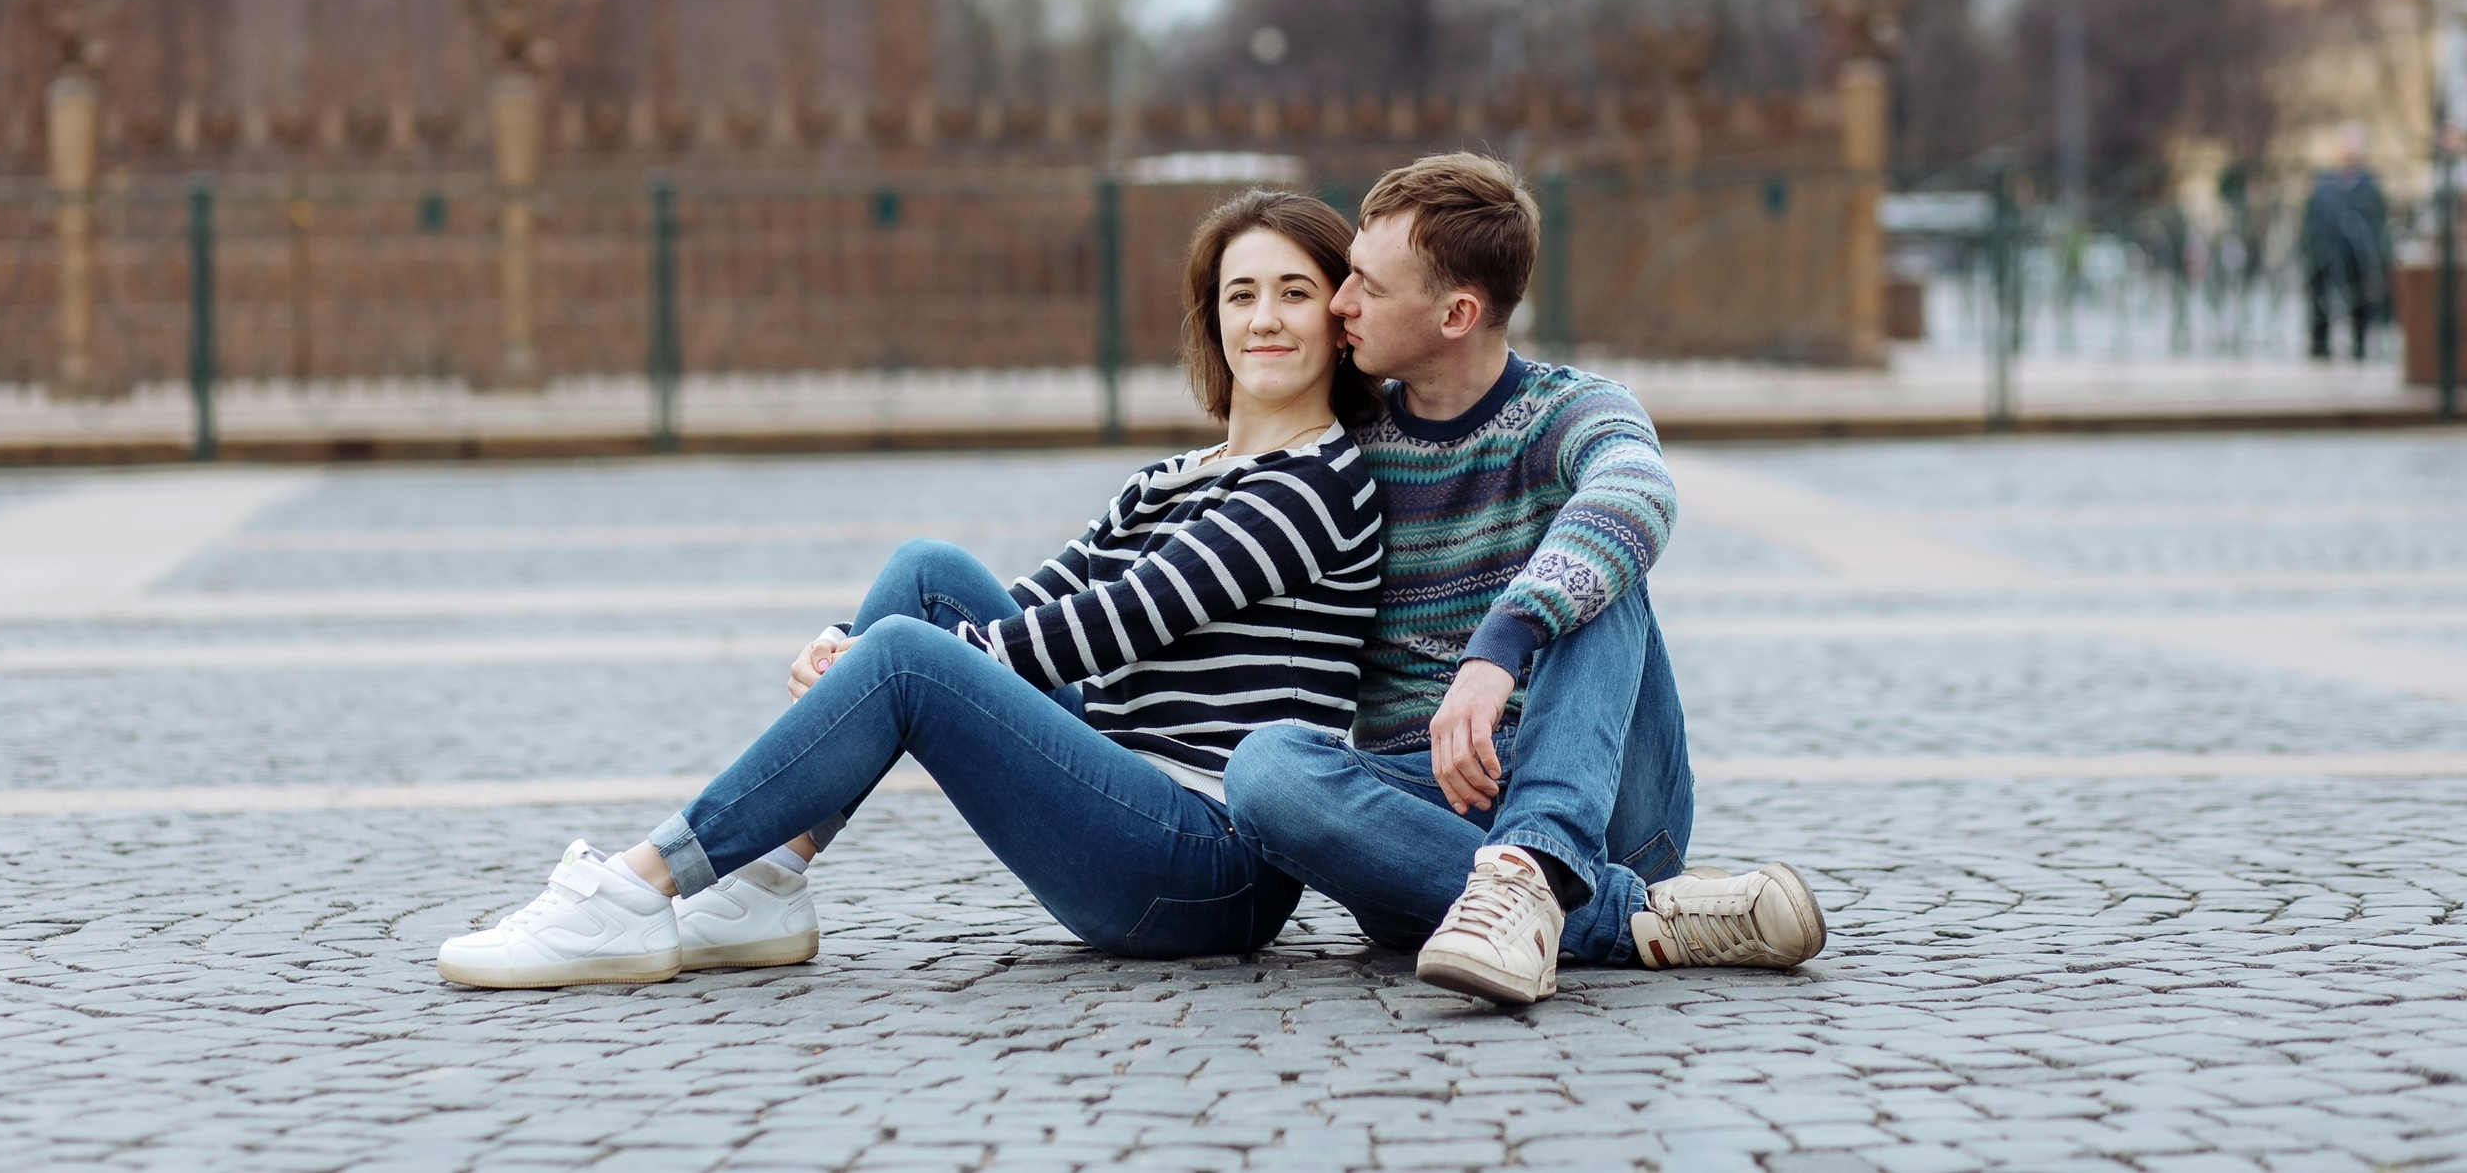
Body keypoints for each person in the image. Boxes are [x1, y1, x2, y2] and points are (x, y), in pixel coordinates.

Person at [436, 191, 1385, 987]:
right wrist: (852, 636)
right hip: (1133, 799)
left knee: (908, 660)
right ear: (1212, 317)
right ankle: (768, 880)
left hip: (1209, 866)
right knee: (928, 579)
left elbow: (1107, 629)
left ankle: (637, 889)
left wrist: (881, 664)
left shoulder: (1315, 485)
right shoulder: (1180, 473)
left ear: (1338, 323)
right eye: (1241, 293)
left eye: (1294, 293)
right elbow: (1042, 592)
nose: (1264, 317)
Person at [1225, 153, 1827, 1006]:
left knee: (1606, 553)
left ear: (1457, 312)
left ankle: (1536, 862)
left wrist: (1499, 647)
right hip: (1429, 821)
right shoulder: (1347, 445)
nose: (1339, 304)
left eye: (1366, 284)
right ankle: (1623, 916)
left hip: (1614, 809)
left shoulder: (1574, 409)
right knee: (1265, 772)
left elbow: (1637, 490)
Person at [2303, 124, 2391, 362]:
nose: (2347, 151)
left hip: (2356, 250)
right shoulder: (2325, 181)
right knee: (2320, 294)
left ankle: (2359, 343)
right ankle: (2319, 343)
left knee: (2359, 293)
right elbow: (2312, 214)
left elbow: (2377, 216)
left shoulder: (2368, 182)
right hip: (2325, 247)